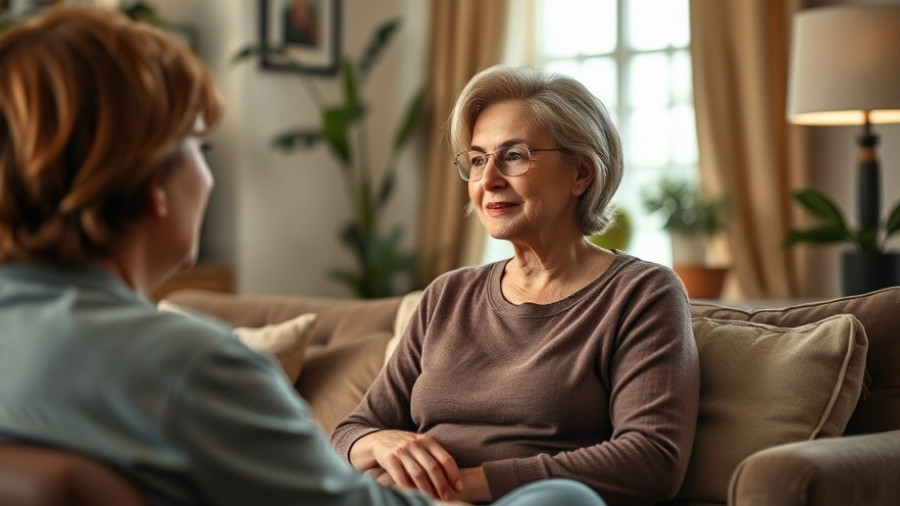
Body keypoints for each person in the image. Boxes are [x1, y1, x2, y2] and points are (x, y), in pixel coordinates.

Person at [332, 65, 701, 506]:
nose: (488, 181)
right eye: (477, 160)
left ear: (581, 173)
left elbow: (651, 460)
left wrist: (461, 485)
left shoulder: (642, 293)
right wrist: (380, 444)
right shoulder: (446, 296)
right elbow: (350, 431)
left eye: (514, 156)